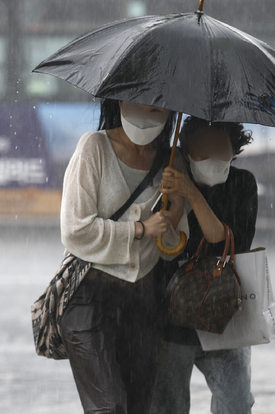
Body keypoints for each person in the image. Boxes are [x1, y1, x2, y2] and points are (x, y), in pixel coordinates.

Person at [59, 98, 189, 414]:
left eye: (156, 109)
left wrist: (175, 209)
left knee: (138, 406)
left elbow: (173, 247)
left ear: (170, 112)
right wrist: (139, 229)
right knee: (109, 407)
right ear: (120, 101)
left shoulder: (172, 162)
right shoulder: (94, 148)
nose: (145, 117)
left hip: (144, 306)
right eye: (137, 106)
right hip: (89, 299)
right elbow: (75, 230)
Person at [151, 116, 258, 414]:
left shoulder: (242, 183)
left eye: (220, 149)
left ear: (234, 151)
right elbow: (163, 246)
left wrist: (193, 194)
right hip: (173, 317)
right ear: (186, 152)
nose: (211, 157)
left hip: (226, 317)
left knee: (235, 404)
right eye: (202, 150)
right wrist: (173, 200)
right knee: (166, 406)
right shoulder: (168, 180)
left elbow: (227, 243)